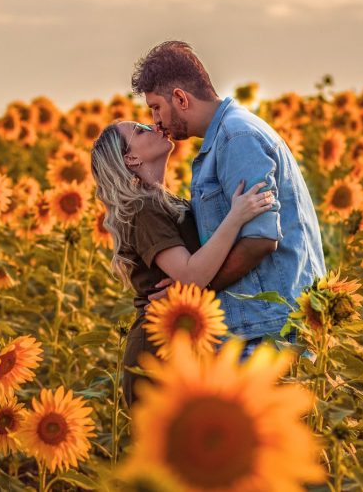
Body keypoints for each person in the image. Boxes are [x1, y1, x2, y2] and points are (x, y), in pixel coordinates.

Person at [132, 41, 328, 360]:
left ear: (180, 98)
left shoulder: (237, 138)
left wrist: (193, 292)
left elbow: (260, 239)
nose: (155, 121)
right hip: (260, 328)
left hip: (268, 333)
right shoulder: (227, 137)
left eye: (156, 107)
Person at [90, 120, 275, 407]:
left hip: (181, 341)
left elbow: (193, 274)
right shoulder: (143, 208)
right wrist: (236, 216)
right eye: (140, 131)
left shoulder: (165, 201)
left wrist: (184, 285)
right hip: (157, 352)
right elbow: (191, 273)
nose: (152, 125)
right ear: (131, 159)